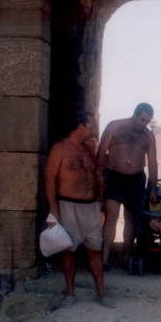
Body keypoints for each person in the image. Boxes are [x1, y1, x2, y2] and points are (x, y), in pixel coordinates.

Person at [44, 111, 115, 308]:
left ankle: (101, 293)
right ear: (80, 126)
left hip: (91, 207)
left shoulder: (88, 150)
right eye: (91, 126)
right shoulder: (60, 149)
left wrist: (100, 203)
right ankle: (70, 293)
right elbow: (49, 179)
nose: (93, 130)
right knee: (69, 250)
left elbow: (97, 177)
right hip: (68, 205)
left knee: (95, 251)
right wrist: (53, 212)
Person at [97, 102, 158, 269]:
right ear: (135, 114)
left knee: (131, 218)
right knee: (111, 216)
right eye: (142, 119)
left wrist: (153, 187)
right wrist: (100, 178)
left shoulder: (148, 136)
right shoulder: (115, 126)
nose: (144, 124)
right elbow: (102, 152)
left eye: (147, 121)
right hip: (114, 175)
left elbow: (152, 162)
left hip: (136, 179)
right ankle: (104, 259)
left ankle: (126, 257)